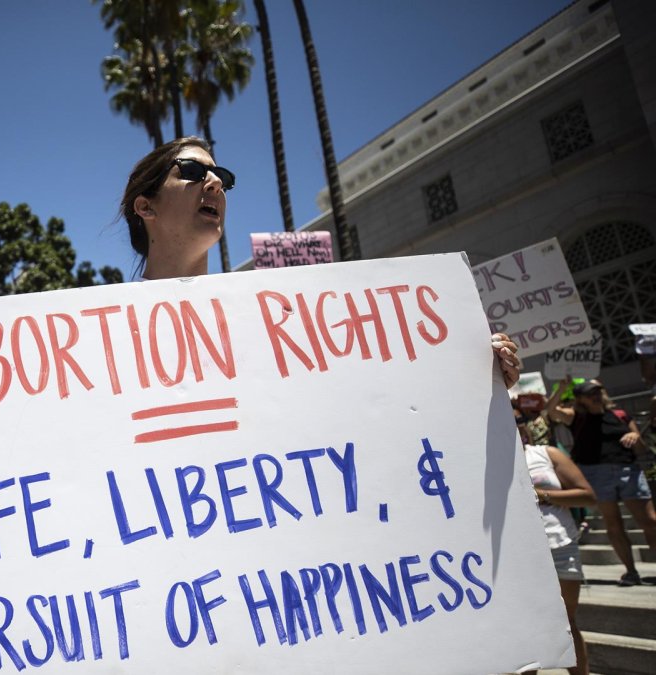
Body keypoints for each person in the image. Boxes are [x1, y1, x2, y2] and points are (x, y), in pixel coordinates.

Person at [116, 137, 523, 381]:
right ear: (145, 207)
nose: (218, 182)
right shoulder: (109, 333)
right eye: (191, 170)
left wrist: (468, 372)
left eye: (224, 176)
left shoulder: (269, 318)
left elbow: (360, 398)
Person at [549, 378, 656, 586]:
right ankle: (631, 571)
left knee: (650, 521)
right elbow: (551, 411)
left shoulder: (619, 414)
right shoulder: (576, 417)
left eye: (598, 391)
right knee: (613, 524)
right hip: (596, 473)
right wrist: (562, 388)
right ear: (581, 399)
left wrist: (635, 436)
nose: (596, 396)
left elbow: (641, 448)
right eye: (590, 393)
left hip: (628, 471)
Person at [516, 408, 596, 675]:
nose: (514, 426)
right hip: (516, 555)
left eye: (517, 420)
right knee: (525, 628)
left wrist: (542, 495)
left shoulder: (546, 454)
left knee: (566, 623)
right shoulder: (484, 462)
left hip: (559, 546)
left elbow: (587, 495)